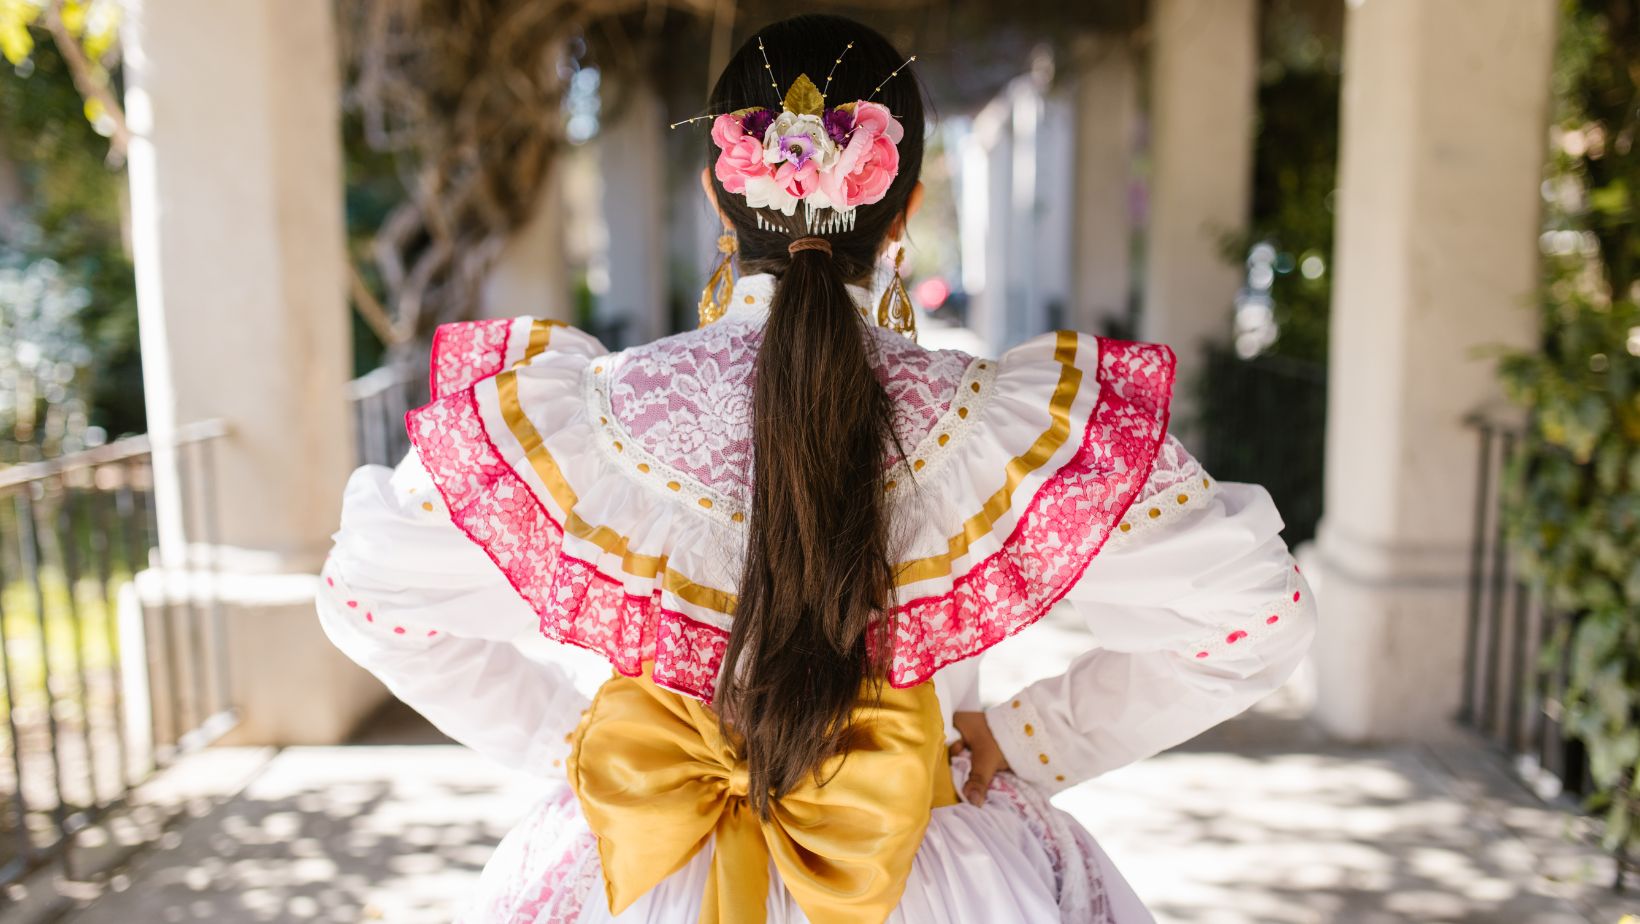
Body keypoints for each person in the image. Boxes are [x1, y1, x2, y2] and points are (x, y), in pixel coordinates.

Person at [316, 13, 1316, 923]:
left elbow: (370, 602)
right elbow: (1254, 616)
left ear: (717, 194)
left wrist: (567, 742)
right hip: (925, 872)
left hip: (637, 869)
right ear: (905, 209)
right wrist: (1023, 735)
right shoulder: (1000, 434)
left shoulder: (578, 420)